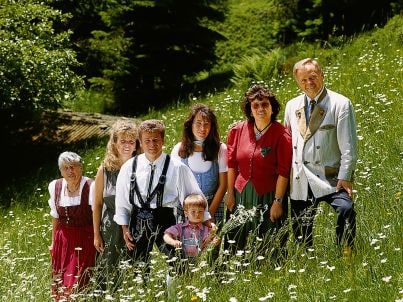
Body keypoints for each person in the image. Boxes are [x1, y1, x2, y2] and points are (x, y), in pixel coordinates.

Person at [113, 119, 211, 276]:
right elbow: (122, 201)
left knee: (177, 264)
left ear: (163, 140)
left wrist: (207, 223)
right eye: (147, 141)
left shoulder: (177, 167)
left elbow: (194, 195)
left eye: (156, 140)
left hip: (164, 218)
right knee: (138, 268)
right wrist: (125, 228)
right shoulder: (129, 167)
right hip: (137, 220)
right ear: (140, 142)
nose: (152, 144)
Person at [284, 58, 357, 256]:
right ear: (297, 82)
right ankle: (306, 261)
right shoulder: (292, 106)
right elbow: (287, 142)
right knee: (301, 229)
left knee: (346, 210)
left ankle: (346, 252)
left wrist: (346, 175)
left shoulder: (340, 104)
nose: (308, 83)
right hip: (300, 177)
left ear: (322, 75)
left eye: (313, 77)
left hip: (330, 175)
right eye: (303, 80)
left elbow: (349, 146)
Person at [225, 84, 292, 255]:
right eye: (255, 105)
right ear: (250, 109)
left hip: (268, 195)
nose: (260, 108)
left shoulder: (282, 134)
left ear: (272, 107)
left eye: (265, 104)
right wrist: (230, 193)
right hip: (241, 195)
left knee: (268, 241)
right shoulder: (237, 130)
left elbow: (283, 172)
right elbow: (231, 164)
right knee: (238, 240)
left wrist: (278, 202)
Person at [92, 119, 139, 290]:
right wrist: (96, 234)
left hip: (135, 226)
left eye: (131, 141)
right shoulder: (104, 169)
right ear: (114, 143)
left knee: (134, 273)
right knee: (107, 272)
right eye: (123, 140)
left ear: (136, 144)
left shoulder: (141, 168)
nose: (127, 145)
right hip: (110, 227)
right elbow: (97, 204)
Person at [48, 151, 95, 300]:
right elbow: (55, 216)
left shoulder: (90, 186)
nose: (70, 171)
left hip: (84, 238)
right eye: (66, 168)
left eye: (73, 167)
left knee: (76, 284)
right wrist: (53, 243)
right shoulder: (55, 186)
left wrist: (97, 238)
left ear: (81, 168)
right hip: (63, 240)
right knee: (60, 281)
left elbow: (97, 215)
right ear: (61, 171)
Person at [171, 103, 228, 227]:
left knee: (210, 245)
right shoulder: (178, 150)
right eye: (198, 123)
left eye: (207, 124)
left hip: (213, 206)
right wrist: (190, 213)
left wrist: (209, 214)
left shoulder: (220, 149)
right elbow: (175, 185)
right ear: (190, 125)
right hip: (187, 210)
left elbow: (223, 185)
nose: (203, 128)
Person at [163, 193, 220, 263]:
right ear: (186, 213)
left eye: (200, 211)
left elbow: (211, 242)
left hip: (201, 261)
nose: (197, 214)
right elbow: (166, 236)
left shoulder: (206, 229)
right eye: (193, 211)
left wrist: (215, 242)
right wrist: (173, 242)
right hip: (183, 261)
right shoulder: (180, 227)